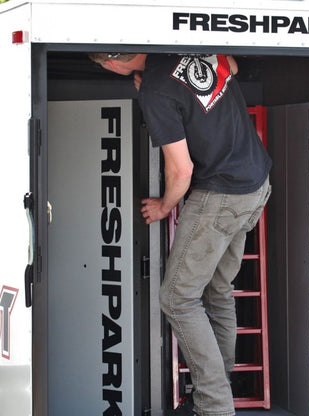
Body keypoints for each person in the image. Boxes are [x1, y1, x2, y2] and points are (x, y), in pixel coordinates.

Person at [90, 52, 272, 416]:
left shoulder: (155, 90)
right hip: (256, 185)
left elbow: (182, 170)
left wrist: (163, 207)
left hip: (220, 197)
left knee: (177, 299)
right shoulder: (185, 49)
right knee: (219, 289)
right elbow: (232, 67)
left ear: (111, 64)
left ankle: (214, 406)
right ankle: (222, 381)